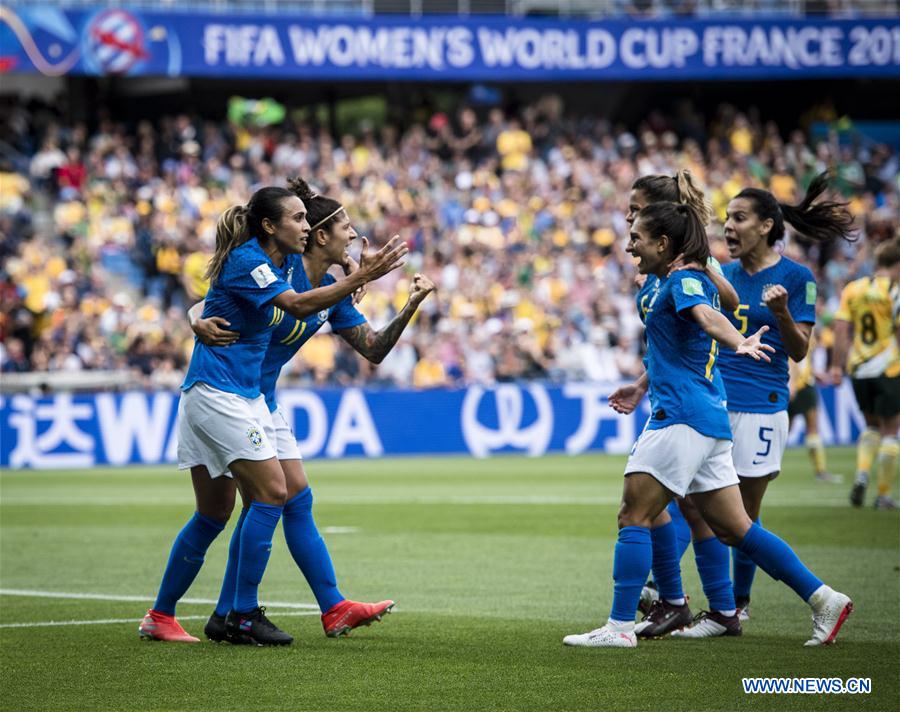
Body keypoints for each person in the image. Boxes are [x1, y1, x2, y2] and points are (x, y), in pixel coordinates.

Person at [563, 201, 852, 649]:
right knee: (737, 529)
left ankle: (619, 627)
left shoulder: (684, 279)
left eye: (636, 237)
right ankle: (824, 598)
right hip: (709, 419)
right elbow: (686, 332)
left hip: (680, 416)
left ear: (663, 243)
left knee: (634, 514)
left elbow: (708, 315)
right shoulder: (670, 280)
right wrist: (641, 383)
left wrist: (738, 341)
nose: (629, 245)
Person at [139, 188, 408, 645]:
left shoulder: (284, 263)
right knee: (270, 494)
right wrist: (193, 319)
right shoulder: (255, 261)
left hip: (251, 397)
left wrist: (354, 271)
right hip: (219, 392)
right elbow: (290, 303)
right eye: (298, 219)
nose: (306, 227)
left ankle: (169, 615)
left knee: (221, 511)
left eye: (306, 219)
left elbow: (221, 298)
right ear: (273, 226)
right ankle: (242, 614)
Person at [623, 171, 740, 634]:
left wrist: (699, 267)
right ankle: (715, 608)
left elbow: (725, 303)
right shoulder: (656, 267)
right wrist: (641, 384)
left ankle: (666, 595)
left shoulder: (688, 263)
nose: (628, 217)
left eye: (636, 209)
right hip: (677, 393)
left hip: (693, 398)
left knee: (662, 509)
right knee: (695, 511)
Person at [831, 238, 900, 510]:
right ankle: (882, 495)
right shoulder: (895, 291)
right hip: (889, 367)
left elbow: (840, 329)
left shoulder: (853, 289)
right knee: (890, 430)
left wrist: (836, 366)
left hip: (859, 368)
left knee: (871, 427)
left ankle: (861, 475)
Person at [788, 327, 842, 483]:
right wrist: (793, 383)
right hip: (802, 385)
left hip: (794, 384)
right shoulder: (802, 330)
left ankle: (767, 467)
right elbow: (795, 359)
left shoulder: (793, 329)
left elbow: (803, 361)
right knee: (812, 428)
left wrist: (815, 374)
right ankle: (820, 471)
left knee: (785, 430)